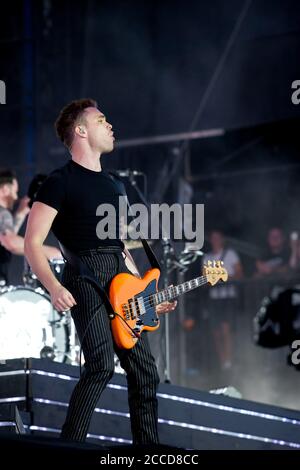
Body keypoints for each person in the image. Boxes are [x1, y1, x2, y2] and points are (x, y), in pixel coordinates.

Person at [24, 98, 176, 444]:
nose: (110, 125)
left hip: (120, 277)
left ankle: (148, 450)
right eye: (101, 120)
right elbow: (32, 242)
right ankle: (71, 444)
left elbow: (122, 246)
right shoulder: (58, 182)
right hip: (85, 276)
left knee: (145, 373)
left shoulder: (114, 186)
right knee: (100, 367)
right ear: (80, 130)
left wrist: (145, 296)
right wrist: (52, 286)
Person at [0, 169, 60, 285]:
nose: (16, 197)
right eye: (15, 191)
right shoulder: (3, 213)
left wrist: (21, 214)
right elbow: (9, 242)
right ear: (5, 189)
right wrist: (46, 251)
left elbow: (5, 240)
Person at [202, 230, 243, 371]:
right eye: (213, 238)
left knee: (226, 329)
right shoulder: (206, 258)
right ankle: (222, 361)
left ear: (222, 239)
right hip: (214, 298)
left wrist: (223, 278)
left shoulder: (230, 254)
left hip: (228, 297)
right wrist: (216, 279)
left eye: (218, 238)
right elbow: (206, 279)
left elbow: (239, 274)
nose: (215, 240)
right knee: (216, 331)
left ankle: (229, 360)